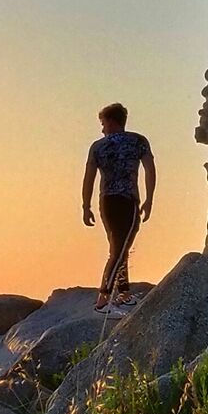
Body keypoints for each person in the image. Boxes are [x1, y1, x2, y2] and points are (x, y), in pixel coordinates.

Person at [81, 103, 156, 306]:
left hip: (107, 203)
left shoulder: (98, 146)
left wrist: (86, 206)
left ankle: (123, 293)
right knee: (120, 249)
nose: (102, 129)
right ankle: (103, 299)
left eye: (103, 124)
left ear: (112, 122)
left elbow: (89, 177)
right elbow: (150, 169)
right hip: (127, 200)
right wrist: (149, 199)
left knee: (118, 246)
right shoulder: (138, 141)